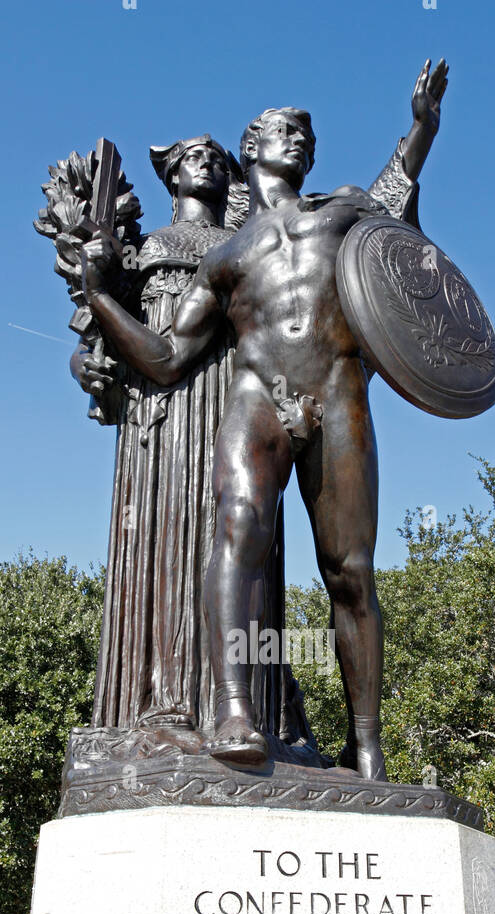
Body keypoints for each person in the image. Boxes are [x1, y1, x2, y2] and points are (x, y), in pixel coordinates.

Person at [82, 60, 449, 779]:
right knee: (239, 528)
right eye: (285, 131)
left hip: (336, 393)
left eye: (306, 136)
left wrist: (421, 128)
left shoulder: (343, 209)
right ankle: (236, 710)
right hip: (257, 396)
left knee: (350, 571)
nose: (300, 141)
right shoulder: (223, 257)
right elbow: (165, 358)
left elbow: (400, 230)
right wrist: (99, 297)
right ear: (252, 148)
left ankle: (367, 747)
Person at [72, 135, 316, 760]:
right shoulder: (145, 250)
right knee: (170, 541)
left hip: (238, 406)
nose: (204, 164)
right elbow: (103, 337)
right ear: (171, 176)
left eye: (214, 157)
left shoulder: (250, 242)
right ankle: (165, 703)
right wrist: (85, 361)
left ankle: (249, 711)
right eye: (190, 157)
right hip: (164, 417)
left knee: (241, 544)